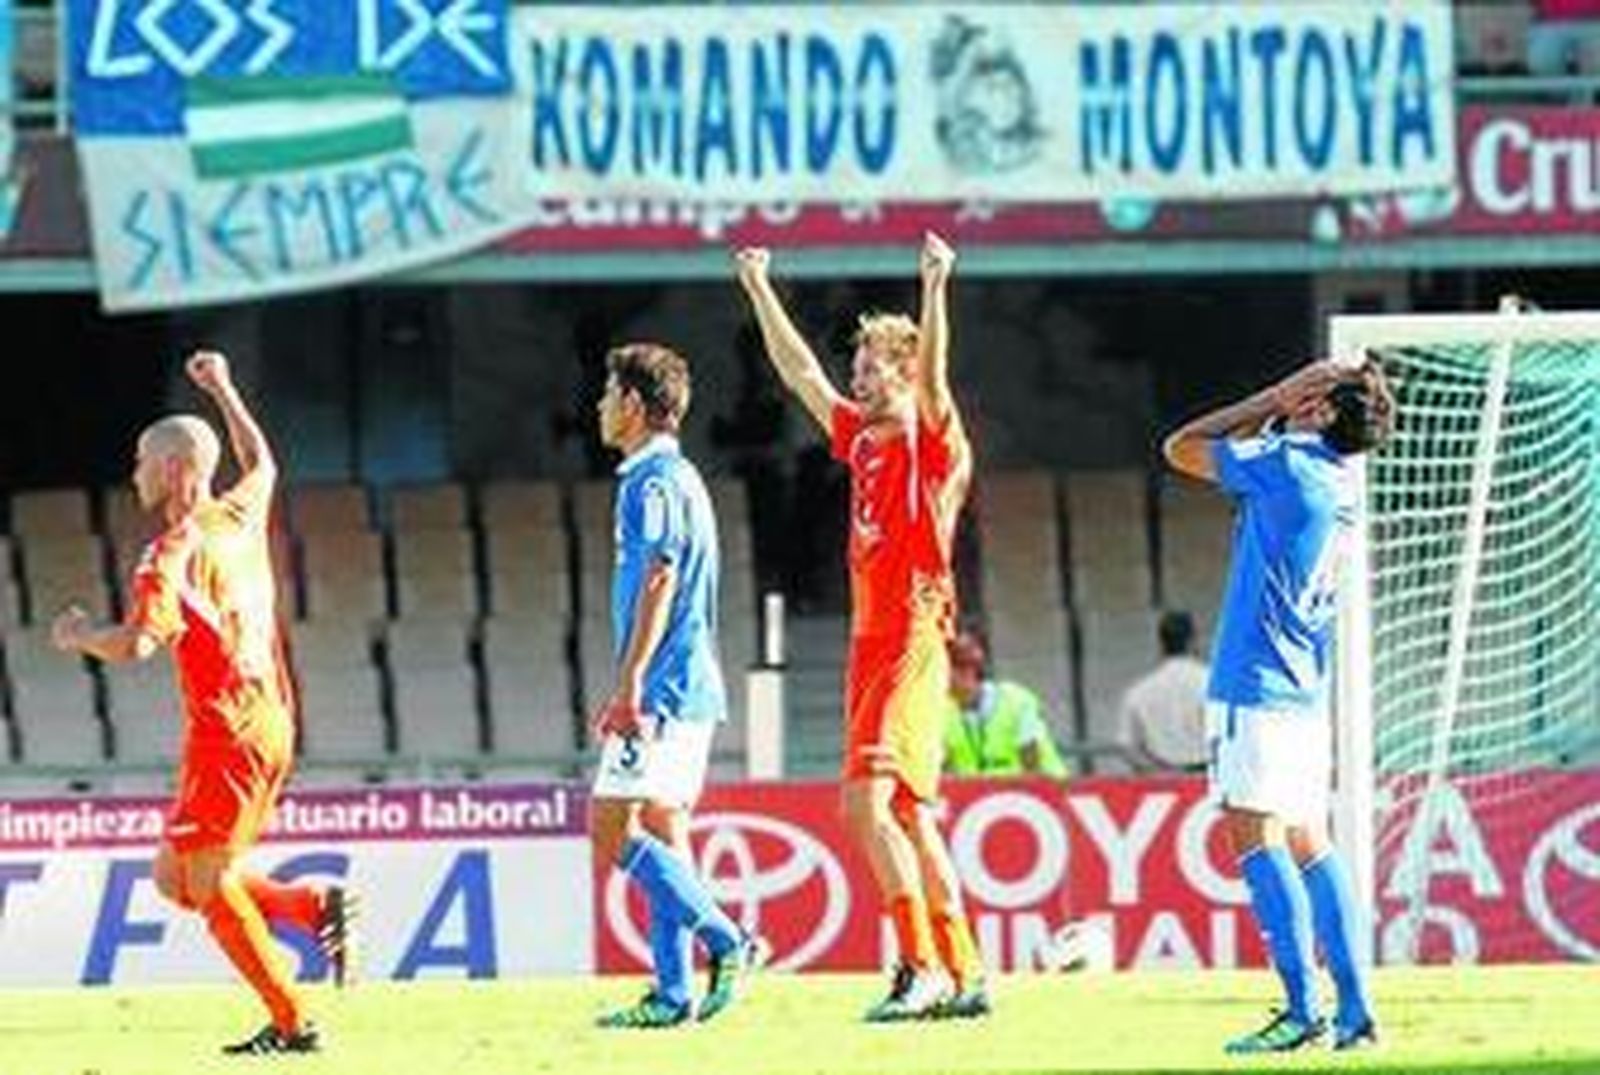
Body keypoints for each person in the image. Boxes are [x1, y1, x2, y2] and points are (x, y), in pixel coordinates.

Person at [51, 351, 351, 1056]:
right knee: (173, 877)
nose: (134, 473)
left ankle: (292, 1021)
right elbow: (261, 459)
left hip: (227, 729)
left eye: (141, 462)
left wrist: (79, 635)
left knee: (208, 882)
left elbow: (139, 644)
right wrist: (222, 387)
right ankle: (313, 906)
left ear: (173, 469)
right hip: (270, 718)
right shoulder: (239, 516)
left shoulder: (168, 554)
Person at [736, 233, 988, 1021]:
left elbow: (938, 377)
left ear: (905, 371)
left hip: (911, 629)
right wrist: (757, 289)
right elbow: (800, 374)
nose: (857, 374)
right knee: (908, 814)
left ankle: (918, 967)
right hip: (870, 638)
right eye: (859, 365)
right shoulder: (864, 438)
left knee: (862, 807)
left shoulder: (929, 438)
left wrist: (933, 288)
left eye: (873, 364)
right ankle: (965, 971)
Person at [1162, 354, 1394, 1054]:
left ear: (1322, 409)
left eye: (1312, 387)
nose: (1300, 391)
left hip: (1254, 688)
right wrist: (1292, 405)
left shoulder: (1288, 464)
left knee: (1255, 840)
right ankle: (1355, 1013)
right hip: (1304, 693)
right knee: (1311, 843)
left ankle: (1301, 1011)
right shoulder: (1340, 479)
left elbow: (1178, 448)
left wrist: (1269, 395)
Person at [588, 341, 767, 1029]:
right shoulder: (684, 476)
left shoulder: (651, 482)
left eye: (608, 394)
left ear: (633, 404)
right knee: (663, 828)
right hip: (690, 684)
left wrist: (629, 685)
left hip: (661, 690)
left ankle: (727, 938)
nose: (601, 407)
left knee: (610, 829)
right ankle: (672, 992)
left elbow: (660, 574)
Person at [942, 628, 1068, 778]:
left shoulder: (1016, 701)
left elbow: (1031, 766)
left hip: (1043, 793)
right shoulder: (941, 712)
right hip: (981, 797)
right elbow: (945, 772)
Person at [1117, 610, 1210, 773]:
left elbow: (1127, 747)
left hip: (1163, 783)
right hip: (1207, 776)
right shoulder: (1212, 684)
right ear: (1192, 641)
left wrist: (1160, 772)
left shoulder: (1138, 692)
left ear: (1161, 645)